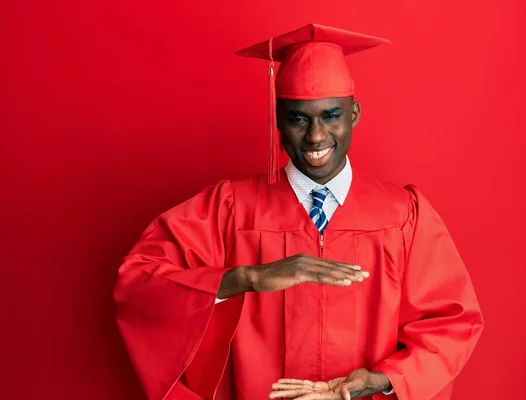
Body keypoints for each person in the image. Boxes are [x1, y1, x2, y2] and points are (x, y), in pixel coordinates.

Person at [114, 23, 484, 400]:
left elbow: (452, 322)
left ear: (353, 114)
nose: (316, 136)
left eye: (331, 115)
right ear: (278, 119)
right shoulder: (231, 209)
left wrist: (383, 380)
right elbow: (140, 282)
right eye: (298, 118)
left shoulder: (402, 214)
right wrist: (245, 278)